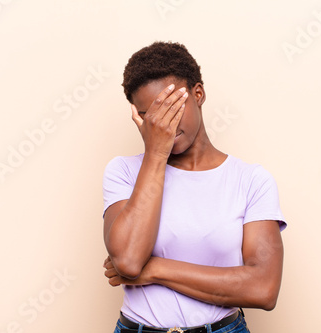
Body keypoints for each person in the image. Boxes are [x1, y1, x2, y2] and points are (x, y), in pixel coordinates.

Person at [102, 41, 287, 333]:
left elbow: (263, 289)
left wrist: (154, 270)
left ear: (197, 94)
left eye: (170, 109)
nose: (163, 126)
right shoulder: (123, 171)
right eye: (150, 117)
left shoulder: (251, 180)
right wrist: (156, 153)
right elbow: (126, 260)